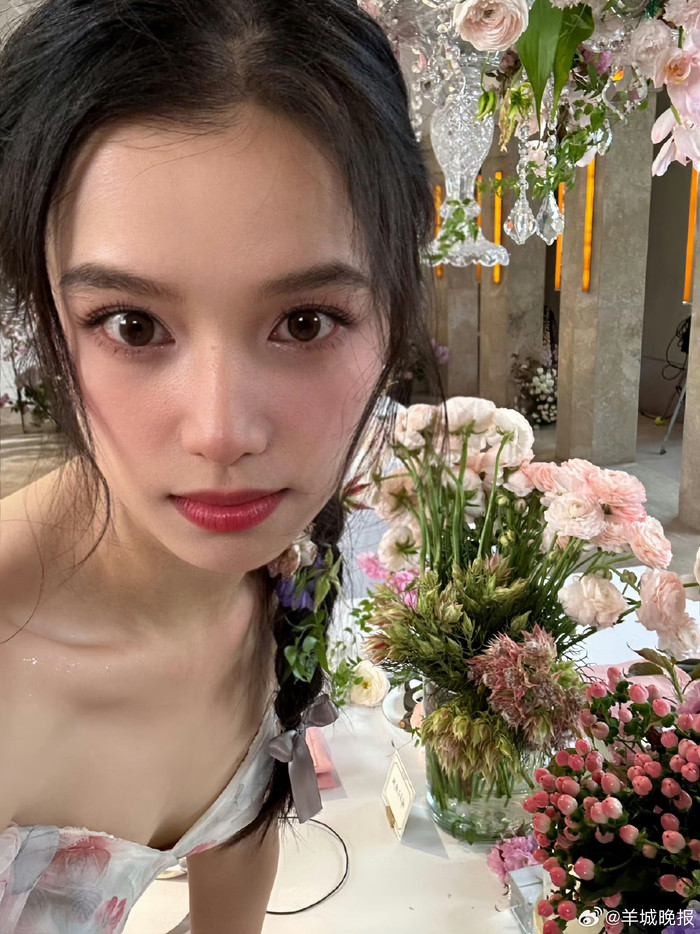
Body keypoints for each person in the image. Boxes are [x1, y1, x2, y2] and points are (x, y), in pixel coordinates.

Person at [0, 0, 442, 931]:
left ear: (394, 313)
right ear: (46, 316)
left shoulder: (281, 577)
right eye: (132, 325)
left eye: (306, 323)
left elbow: (244, 842)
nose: (220, 432)